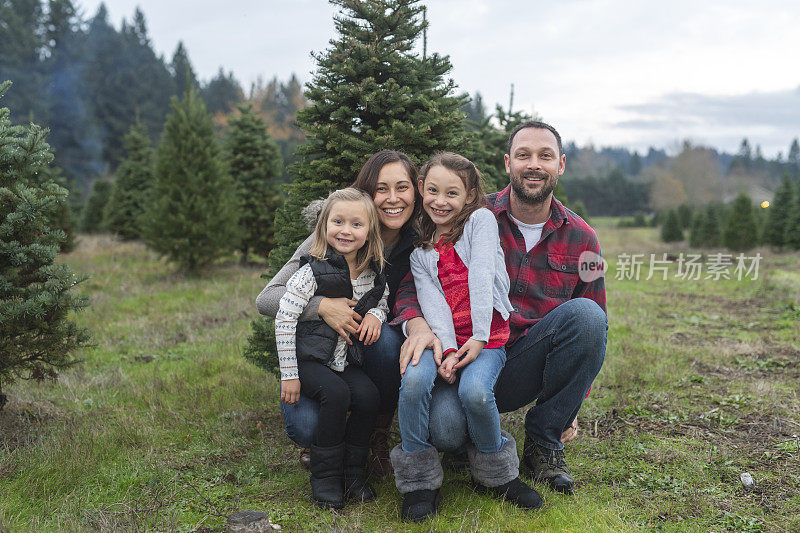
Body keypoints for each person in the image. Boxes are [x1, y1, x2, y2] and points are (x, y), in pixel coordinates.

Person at [393, 121, 608, 499]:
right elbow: (413, 284)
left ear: (561, 165)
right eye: (523, 155)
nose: (533, 164)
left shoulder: (584, 237)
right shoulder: (469, 216)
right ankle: (475, 440)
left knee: (589, 317)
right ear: (508, 162)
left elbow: (597, 317)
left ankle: (543, 443)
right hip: (466, 356)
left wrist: (572, 404)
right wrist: (418, 324)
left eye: (545, 155)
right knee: (446, 432)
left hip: (527, 360)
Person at [392, 153, 542, 522]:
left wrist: (475, 338)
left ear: (470, 196)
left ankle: (498, 476)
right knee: (413, 382)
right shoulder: (421, 252)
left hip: (486, 337)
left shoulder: (481, 221)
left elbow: (481, 275)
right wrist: (444, 349)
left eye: (452, 193)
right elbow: (433, 303)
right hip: (445, 341)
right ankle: (419, 484)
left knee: (474, 392)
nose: (440, 201)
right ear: (422, 190)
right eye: (432, 191)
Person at [257, 150, 420, 477]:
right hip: (318, 355)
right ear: (366, 194)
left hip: (368, 354)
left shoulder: (420, 244)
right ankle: (328, 442)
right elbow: (267, 298)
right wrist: (322, 307)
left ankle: (375, 436)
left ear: (415, 192)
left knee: (386, 341)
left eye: (402, 187)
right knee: (307, 428)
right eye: (381, 188)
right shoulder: (332, 235)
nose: (392, 199)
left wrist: (379, 313)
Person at [276, 187, 389, 508]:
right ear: (324, 226)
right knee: (336, 395)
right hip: (308, 362)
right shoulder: (310, 271)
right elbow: (284, 318)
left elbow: (382, 301)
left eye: (356, 224)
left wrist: (377, 317)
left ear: (369, 232)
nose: (346, 231)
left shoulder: (372, 273)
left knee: (368, 396)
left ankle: (354, 474)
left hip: (343, 362)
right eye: (338, 222)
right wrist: (289, 375)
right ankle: (325, 478)